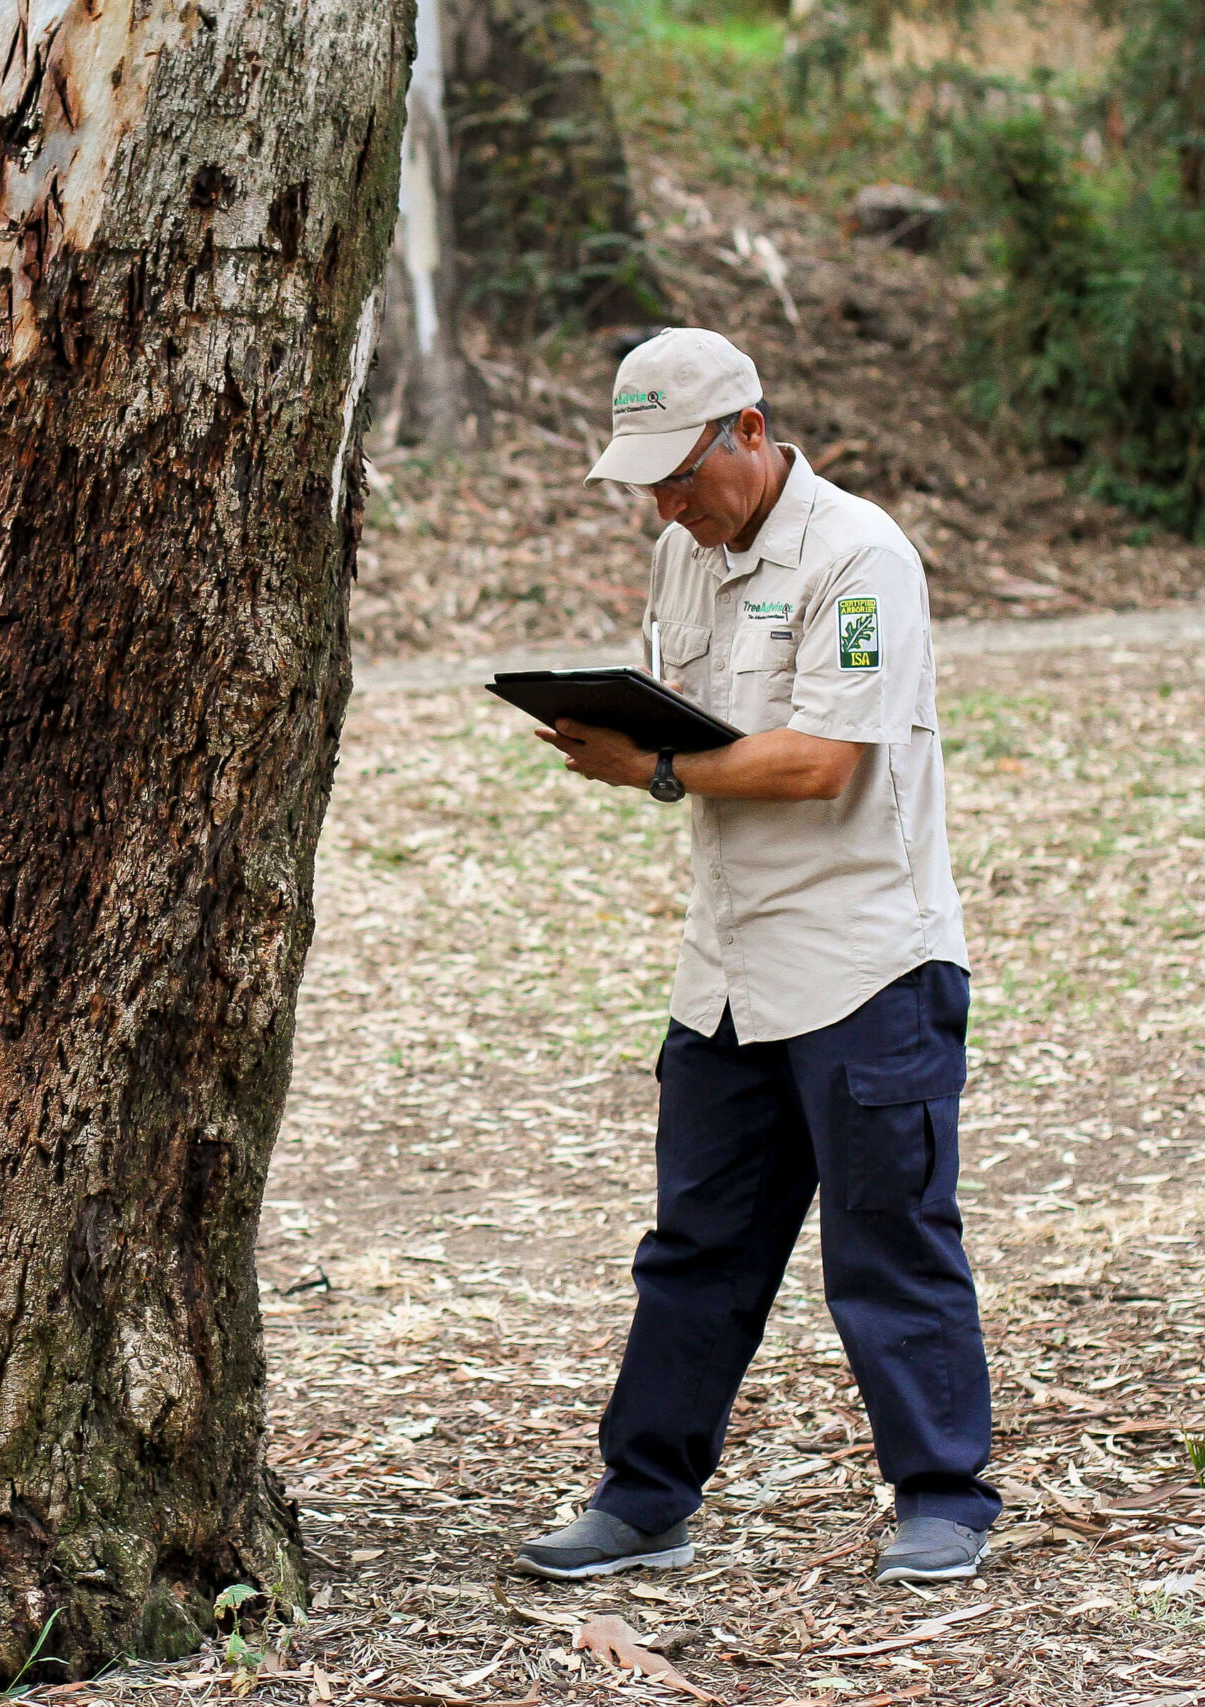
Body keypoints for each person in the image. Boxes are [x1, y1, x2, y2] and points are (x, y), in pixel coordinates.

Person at [513, 328, 999, 1586]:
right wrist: (629, 730)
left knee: (886, 1243)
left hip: (864, 964)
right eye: (647, 486)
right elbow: (698, 721)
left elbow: (819, 760)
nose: (667, 506)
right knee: (695, 1244)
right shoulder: (685, 554)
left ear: (748, 429)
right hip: (726, 969)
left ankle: (943, 1497)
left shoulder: (858, 556)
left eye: (682, 474)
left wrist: (653, 766)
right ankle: (643, 1497)